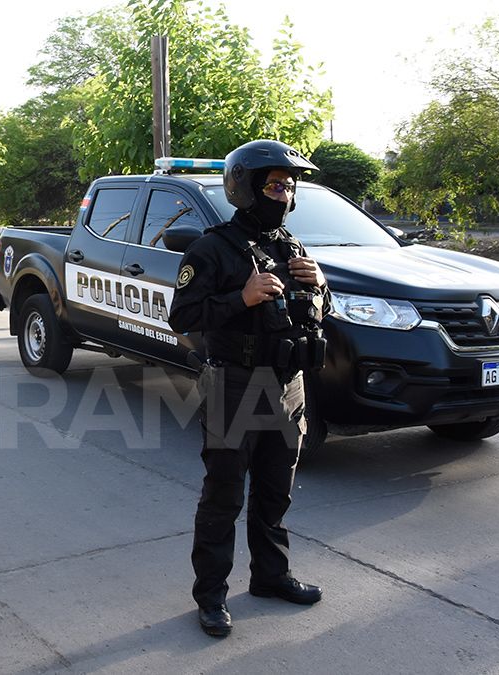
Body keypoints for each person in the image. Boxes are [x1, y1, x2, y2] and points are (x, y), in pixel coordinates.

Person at [168, 139, 330, 638]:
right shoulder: (212, 248)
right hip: (235, 385)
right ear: (246, 187)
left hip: (288, 385)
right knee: (223, 496)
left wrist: (321, 286)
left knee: (275, 491)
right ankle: (211, 596)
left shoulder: (292, 247)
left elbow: (317, 313)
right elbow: (183, 317)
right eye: (275, 185)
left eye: (289, 186)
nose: (284, 195)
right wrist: (241, 297)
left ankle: (271, 576)